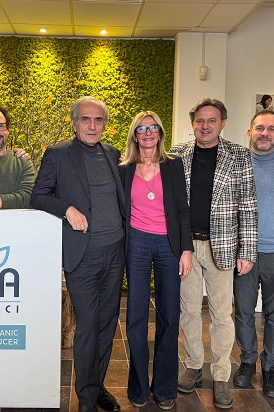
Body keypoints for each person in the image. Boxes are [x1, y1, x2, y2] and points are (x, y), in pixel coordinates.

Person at [31, 96, 125, 412]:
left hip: (115, 253)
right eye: (86, 119)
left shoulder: (113, 154)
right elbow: (38, 196)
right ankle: (85, 399)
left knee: (107, 324)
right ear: (74, 123)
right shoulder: (58, 154)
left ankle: (97, 388)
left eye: (98, 120)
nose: (92, 125)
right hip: (82, 256)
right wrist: (66, 209)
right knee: (87, 326)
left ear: (104, 124)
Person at [171, 97, 257, 409]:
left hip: (222, 246)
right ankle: (194, 366)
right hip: (185, 247)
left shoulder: (239, 155)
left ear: (222, 123)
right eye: (199, 121)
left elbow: (248, 205)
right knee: (189, 311)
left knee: (221, 314)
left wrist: (247, 251)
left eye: (211, 120)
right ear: (192, 123)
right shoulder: (177, 153)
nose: (205, 126)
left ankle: (220, 375)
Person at [119, 111, 192, 410]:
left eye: (153, 127)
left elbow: (183, 209)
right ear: (135, 135)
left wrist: (186, 249)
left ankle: (164, 388)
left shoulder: (173, 165)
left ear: (160, 133)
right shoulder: (123, 167)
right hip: (136, 242)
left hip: (168, 245)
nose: (148, 132)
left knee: (169, 316)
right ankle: (138, 388)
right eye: (142, 128)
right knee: (135, 317)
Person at [232, 109, 274, 398]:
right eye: (259, 128)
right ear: (250, 132)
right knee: (244, 312)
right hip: (244, 253)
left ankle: (271, 367)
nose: (265, 133)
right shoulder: (236, 164)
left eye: (271, 129)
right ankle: (247, 362)